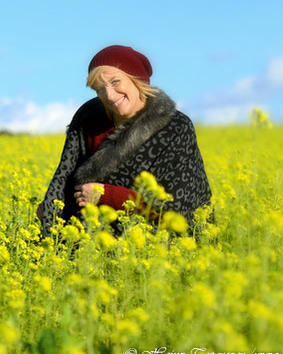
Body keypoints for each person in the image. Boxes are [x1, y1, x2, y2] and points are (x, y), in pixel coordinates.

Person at [37, 45, 211, 237]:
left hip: (155, 246)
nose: (110, 95)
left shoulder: (175, 127)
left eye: (116, 81)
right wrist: (53, 210)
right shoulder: (88, 117)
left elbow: (178, 211)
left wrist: (107, 195)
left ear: (136, 79)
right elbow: (67, 179)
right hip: (90, 241)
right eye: (99, 89)